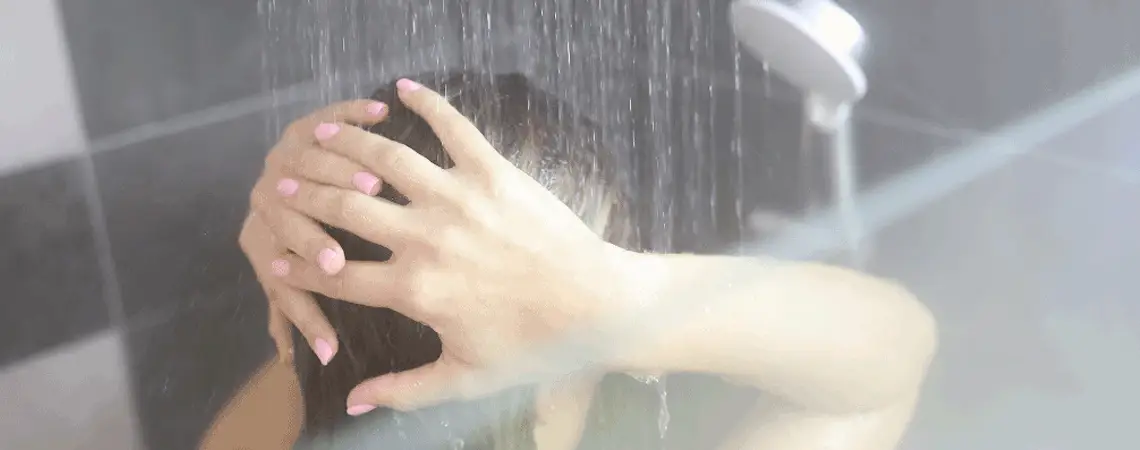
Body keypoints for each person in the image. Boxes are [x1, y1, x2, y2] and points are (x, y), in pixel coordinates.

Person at [201, 72, 938, 450]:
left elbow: (344, 341)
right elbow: (888, 360)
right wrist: (615, 299)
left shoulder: (284, 420)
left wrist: (302, 211)